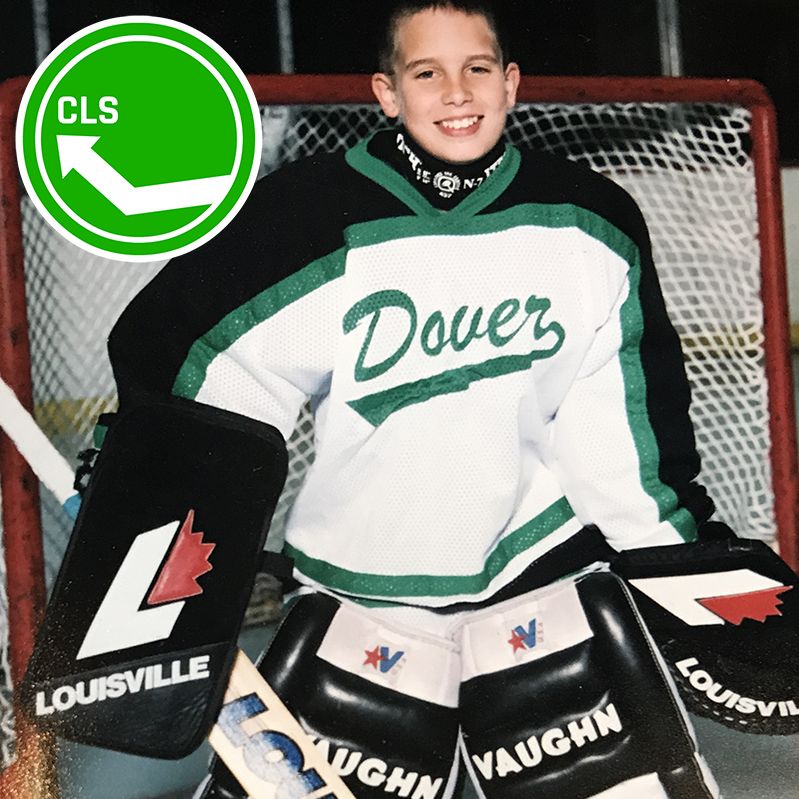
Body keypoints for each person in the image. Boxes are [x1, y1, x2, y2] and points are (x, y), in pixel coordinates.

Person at [107, 2, 724, 797]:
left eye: (476, 69)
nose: (456, 92)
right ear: (387, 93)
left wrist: (679, 560)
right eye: (426, 72)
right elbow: (196, 362)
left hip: (542, 570)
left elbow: (618, 429)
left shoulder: (589, 220)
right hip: (359, 590)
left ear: (510, 84)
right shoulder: (304, 216)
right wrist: (153, 479)